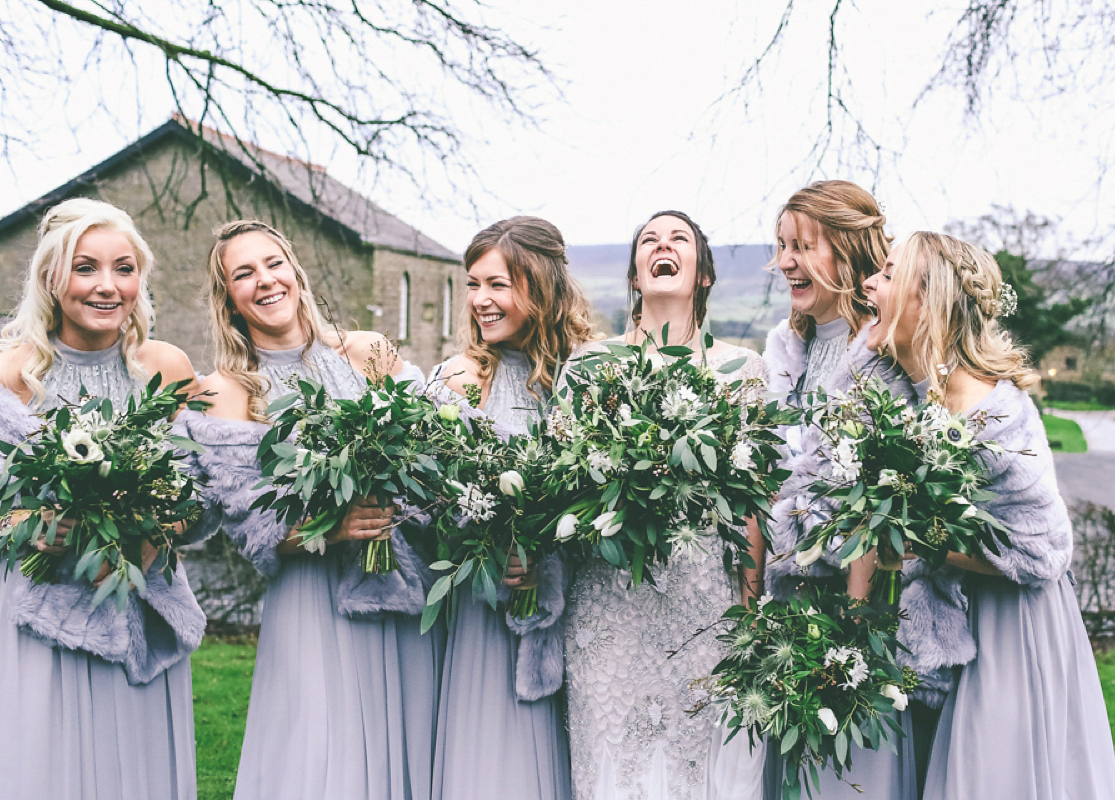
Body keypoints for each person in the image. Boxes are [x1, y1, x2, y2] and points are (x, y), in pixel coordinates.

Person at [182, 219, 443, 800]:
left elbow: (431, 461)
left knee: (407, 745)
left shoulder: (368, 351)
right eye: (243, 274)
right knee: (323, 751)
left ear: (294, 271)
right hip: (312, 596)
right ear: (228, 297)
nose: (265, 281)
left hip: (400, 581)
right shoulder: (228, 389)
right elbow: (249, 523)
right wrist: (332, 526)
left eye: (273, 264)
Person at [862, 231, 1115, 800]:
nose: (869, 284)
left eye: (887, 275)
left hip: (1010, 627)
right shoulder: (905, 397)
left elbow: (1043, 551)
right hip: (943, 617)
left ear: (927, 302)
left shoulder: (993, 413)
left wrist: (917, 541)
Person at [0, 198, 204, 799]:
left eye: (124, 268)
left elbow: (202, 497)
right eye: (86, 268)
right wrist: (23, 520)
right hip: (39, 609)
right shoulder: (10, 374)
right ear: (51, 278)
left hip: (138, 594)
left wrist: (153, 526)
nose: (107, 286)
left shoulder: (164, 367)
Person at [562, 210, 768, 800]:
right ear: (634, 273)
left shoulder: (742, 371)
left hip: (703, 600)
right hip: (610, 602)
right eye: (649, 240)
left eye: (678, 239)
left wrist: (749, 609)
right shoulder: (589, 367)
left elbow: (752, 505)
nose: (663, 246)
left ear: (702, 273)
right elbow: (560, 487)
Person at [760, 181, 930, 799]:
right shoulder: (784, 349)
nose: (786, 262)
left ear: (850, 249)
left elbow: (896, 496)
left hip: (865, 615)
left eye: (804, 246)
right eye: (781, 246)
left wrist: (856, 625)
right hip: (788, 609)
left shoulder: (888, 353)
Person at [428, 216, 598, 800]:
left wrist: (546, 552)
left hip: (574, 609)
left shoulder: (585, 376)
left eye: (497, 285)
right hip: (480, 605)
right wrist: (483, 544)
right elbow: (425, 502)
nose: (480, 301)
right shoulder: (459, 379)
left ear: (541, 284)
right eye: (473, 285)